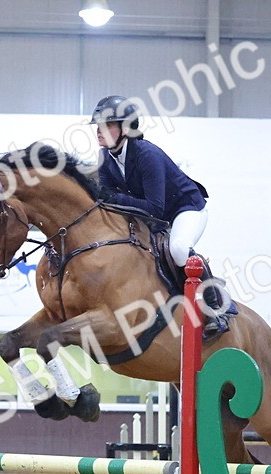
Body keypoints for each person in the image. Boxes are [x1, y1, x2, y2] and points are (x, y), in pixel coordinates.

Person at [89, 94, 233, 336]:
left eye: (107, 125)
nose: (99, 131)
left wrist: (112, 198)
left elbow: (153, 207)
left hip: (185, 209)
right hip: (155, 218)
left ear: (126, 128)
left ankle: (215, 306)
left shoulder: (147, 155)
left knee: (178, 249)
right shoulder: (106, 158)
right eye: (98, 126)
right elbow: (108, 200)